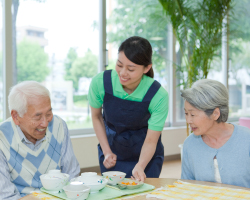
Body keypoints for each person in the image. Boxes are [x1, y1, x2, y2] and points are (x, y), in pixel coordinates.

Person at [88, 36, 169, 182]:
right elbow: (96, 116)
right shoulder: (100, 82)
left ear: (147, 68)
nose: (123, 73)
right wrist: (106, 152)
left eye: (131, 69)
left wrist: (140, 165)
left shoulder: (158, 95)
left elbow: (151, 140)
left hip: (146, 156)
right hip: (112, 152)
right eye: (119, 65)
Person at [0, 81, 80, 199]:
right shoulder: (2, 137)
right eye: (37, 116)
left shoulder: (59, 126)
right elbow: (6, 196)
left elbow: (72, 175)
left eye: (49, 113)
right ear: (16, 117)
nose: (45, 123)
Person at [181, 79, 250, 188]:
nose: (188, 120)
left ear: (215, 114)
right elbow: (186, 187)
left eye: (193, 115)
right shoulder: (190, 144)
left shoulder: (247, 140)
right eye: (186, 113)